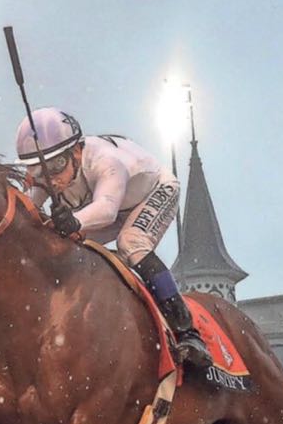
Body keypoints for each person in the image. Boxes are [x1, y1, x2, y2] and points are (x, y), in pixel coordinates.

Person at [16, 108, 212, 367]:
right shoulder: (51, 175)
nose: (51, 179)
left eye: (56, 166)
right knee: (62, 244)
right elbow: (27, 215)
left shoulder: (106, 161)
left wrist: (73, 221)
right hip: (110, 204)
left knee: (131, 242)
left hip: (151, 193)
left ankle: (187, 331)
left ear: (77, 151)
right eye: (40, 171)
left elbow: (106, 209)